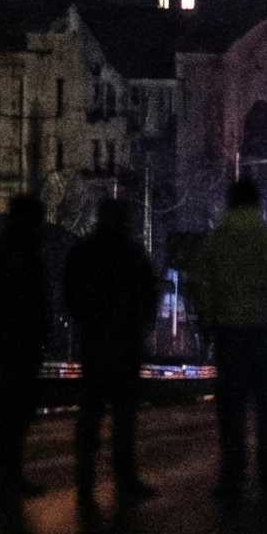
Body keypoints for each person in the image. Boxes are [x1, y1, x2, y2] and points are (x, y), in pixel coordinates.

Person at [184, 179, 267, 501]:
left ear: (229, 204)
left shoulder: (216, 243)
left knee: (232, 412)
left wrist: (208, 322)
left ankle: (232, 478)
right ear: (256, 204)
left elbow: (199, 285)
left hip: (229, 337)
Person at [61, 197, 161, 510]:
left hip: (94, 344)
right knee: (123, 419)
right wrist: (138, 326)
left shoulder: (84, 253)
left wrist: (89, 319)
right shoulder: (132, 255)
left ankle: (85, 482)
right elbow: (149, 296)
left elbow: (71, 294)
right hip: (126, 346)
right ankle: (125, 480)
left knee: (90, 416)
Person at [0, 194, 53, 521]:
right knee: (17, 412)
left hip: (6, 343)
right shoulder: (27, 254)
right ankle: (10, 474)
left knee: (8, 413)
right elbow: (37, 301)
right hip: (21, 344)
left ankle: (6, 474)